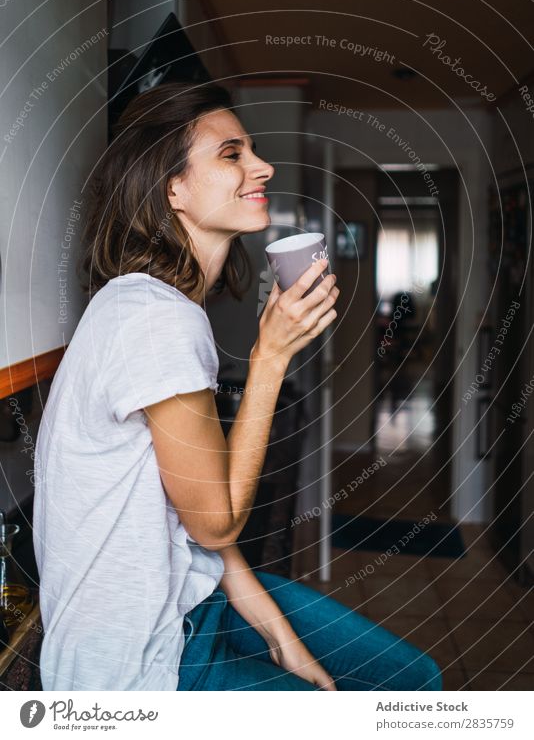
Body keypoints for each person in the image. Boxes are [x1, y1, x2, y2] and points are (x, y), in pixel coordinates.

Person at [33, 82, 442, 691]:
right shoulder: (154, 317)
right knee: (410, 691)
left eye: (251, 150)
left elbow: (186, 524)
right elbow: (214, 524)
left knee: (410, 676)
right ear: (172, 188)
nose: (263, 166)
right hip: (142, 666)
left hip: (195, 604)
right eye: (232, 154)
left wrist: (280, 635)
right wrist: (270, 355)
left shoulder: (155, 305)